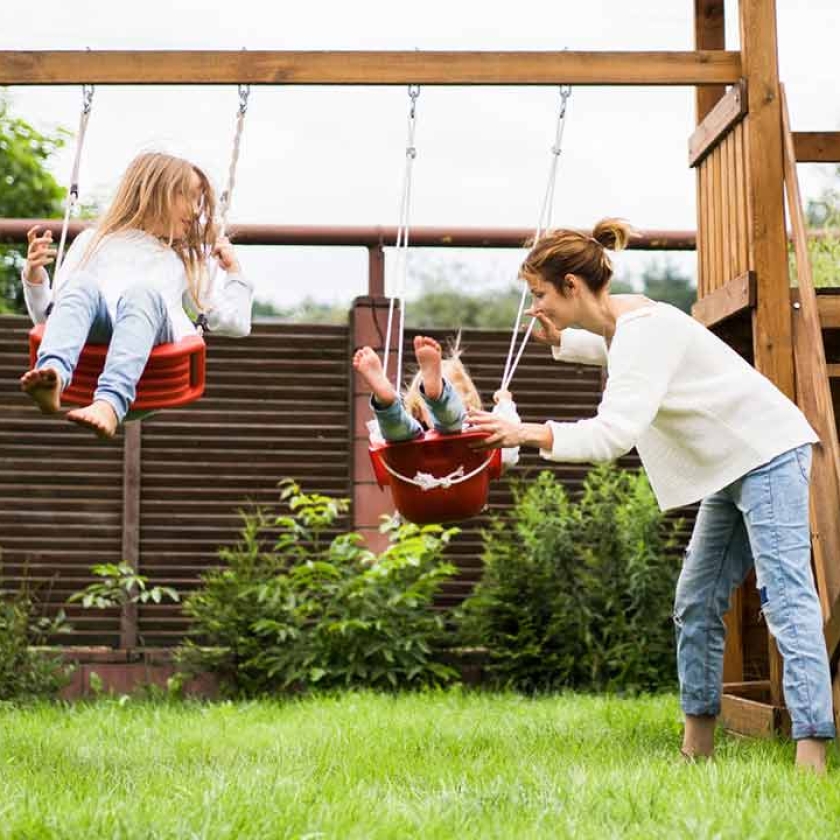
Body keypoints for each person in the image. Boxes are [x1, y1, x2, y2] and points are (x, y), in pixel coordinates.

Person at [467, 217, 835, 772]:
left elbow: (612, 435)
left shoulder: (642, 331)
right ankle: (697, 753)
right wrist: (562, 341)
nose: (534, 306)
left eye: (540, 295)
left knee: (786, 600)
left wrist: (528, 432)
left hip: (766, 454)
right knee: (696, 601)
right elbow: (612, 343)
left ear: (572, 285)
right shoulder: (626, 316)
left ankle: (811, 752)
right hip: (726, 467)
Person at [20, 152, 253, 439]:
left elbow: (237, 323)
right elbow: (52, 317)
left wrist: (234, 273)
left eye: (199, 202)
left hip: (155, 360)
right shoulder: (92, 242)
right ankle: (52, 376)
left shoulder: (184, 260)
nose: (195, 211)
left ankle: (109, 403)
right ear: (153, 192)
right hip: (95, 344)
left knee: (141, 293)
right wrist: (34, 277)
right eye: (187, 196)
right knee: (80, 284)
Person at [353, 335, 520, 470]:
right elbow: (509, 448)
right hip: (463, 489)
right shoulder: (415, 435)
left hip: (414, 479)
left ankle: (387, 405)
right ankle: (398, 401)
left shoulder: (478, 439)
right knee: (406, 434)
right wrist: (506, 406)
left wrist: (505, 404)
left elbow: (508, 439)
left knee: (398, 432)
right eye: (429, 405)